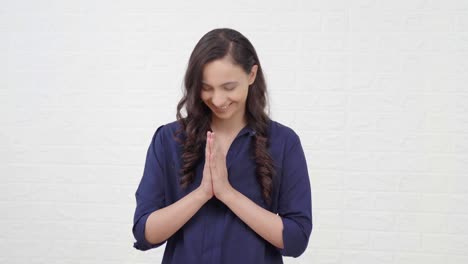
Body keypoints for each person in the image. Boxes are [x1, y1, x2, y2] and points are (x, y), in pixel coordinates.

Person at [132, 28, 312, 263]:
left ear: (251, 74)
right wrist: (202, 194)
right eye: (206, 88)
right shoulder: (169, 139)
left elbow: (296, 239)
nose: (217, 100)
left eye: (228, 87)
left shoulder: (284, 142)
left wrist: (228, 194)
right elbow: (145, 233)